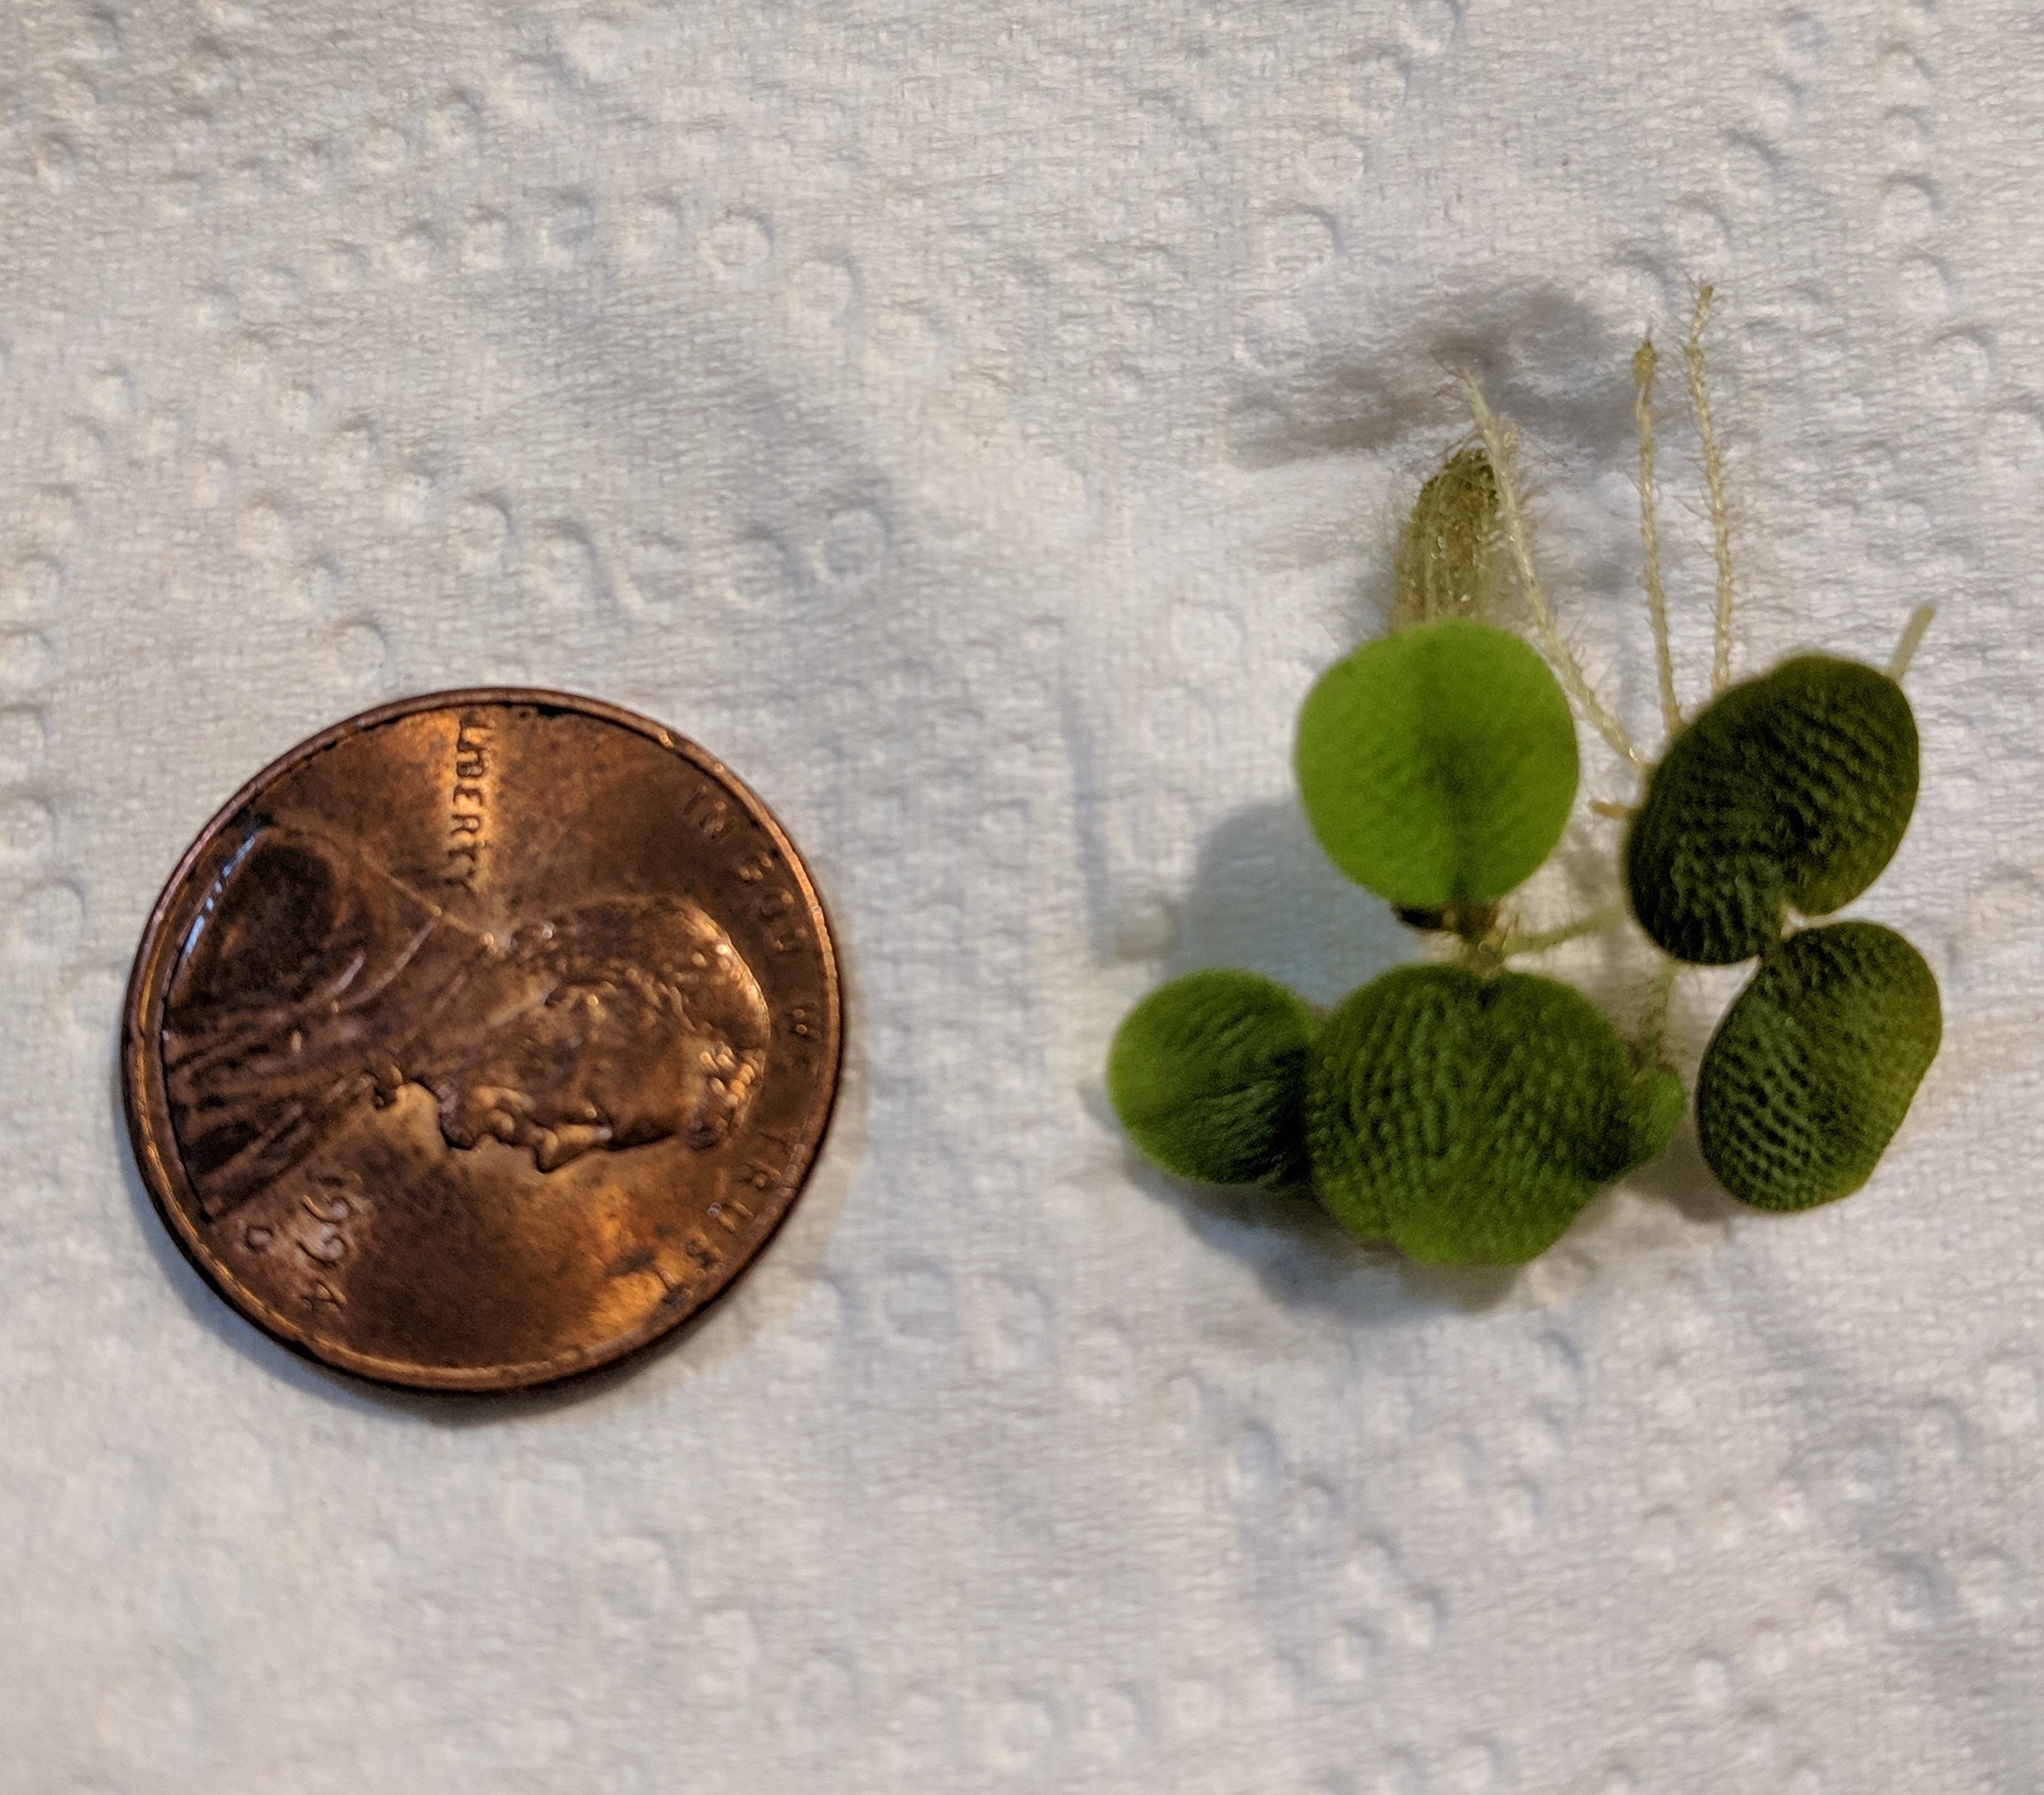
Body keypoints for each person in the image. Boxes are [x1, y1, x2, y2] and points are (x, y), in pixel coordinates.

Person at [162, 824, 771, 1218]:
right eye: (594, 1111)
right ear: (587, 1002)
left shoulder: (349, 1093)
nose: (555, 1157)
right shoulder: (313, 898)